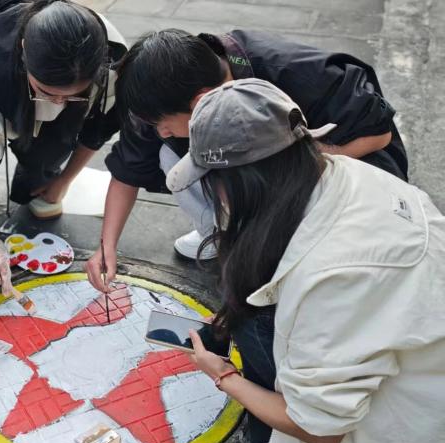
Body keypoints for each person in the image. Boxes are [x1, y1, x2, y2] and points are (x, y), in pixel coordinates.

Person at [170, 79, 445, 443]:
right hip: (419, 368)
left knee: (256, 351)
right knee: (246, 302)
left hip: (397, 427)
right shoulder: (342, 172)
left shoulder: (333, 276)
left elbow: (320, 430)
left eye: (213, 182)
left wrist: (223, 376)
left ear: (243, 182)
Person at [86, 28, 408, 283]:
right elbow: (127, 171)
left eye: (164, 124)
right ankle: (222, 233)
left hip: (339, 169)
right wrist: (106, 246)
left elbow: (379, 134)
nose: (163, 132)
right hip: (272, 176)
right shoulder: (164, 98)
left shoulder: (288, 69)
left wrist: (299, 156)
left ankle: (283, 243)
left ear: (200, 101)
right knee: (167, 157)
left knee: (287, 263)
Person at [0, 0, 126, 292]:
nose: (57, 103)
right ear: (22, 52)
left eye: (73, 94)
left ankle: (39, 183)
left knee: (56, 139)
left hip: (35, 84)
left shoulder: (113, 60)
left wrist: (64, 180)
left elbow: (100, 127)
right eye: (47, 91)